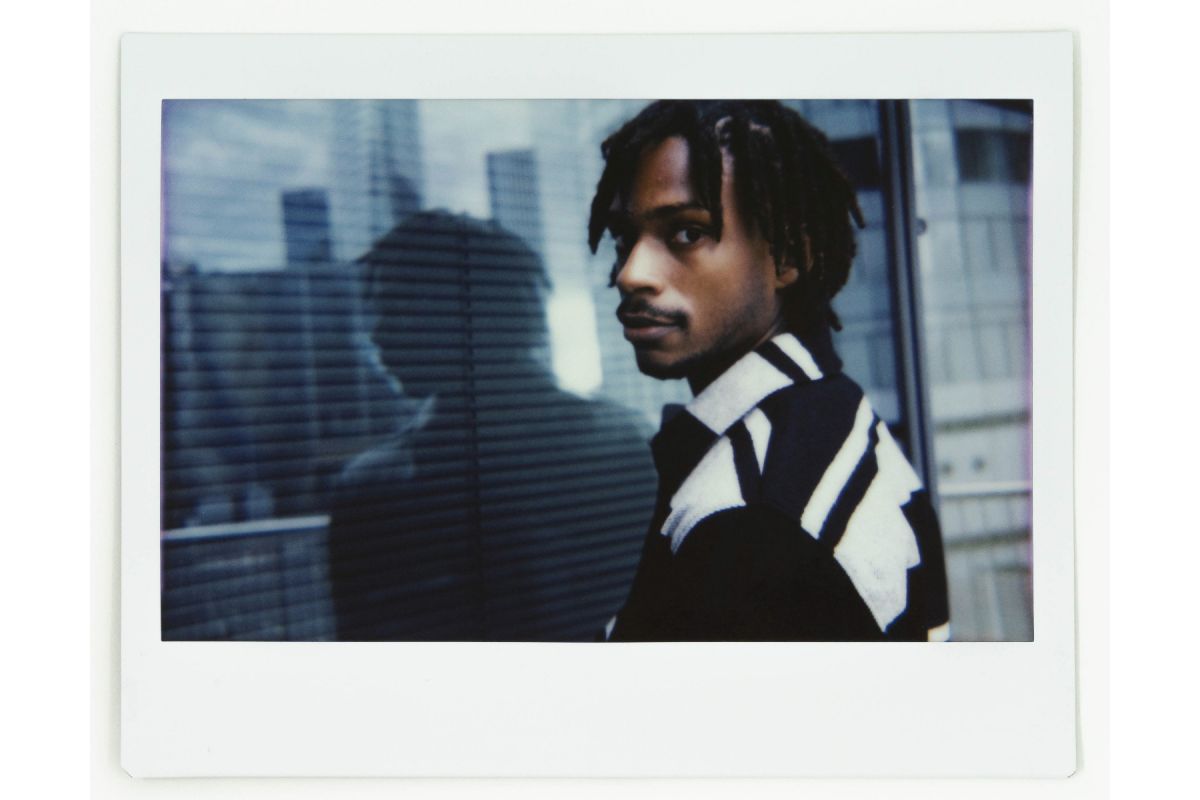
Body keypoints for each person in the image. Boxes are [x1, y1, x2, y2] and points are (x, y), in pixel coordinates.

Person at [587, 100, 950, 641]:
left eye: (686, 232)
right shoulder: (833, 413)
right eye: (624, 238)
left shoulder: (754, 518)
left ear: (788, 255)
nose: (630, 273)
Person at [327, 210, 657, 641]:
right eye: (380, 311)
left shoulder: (373, 487)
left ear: (475, 311)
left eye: (399, 308)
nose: (377, 333)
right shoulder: (623, 443)